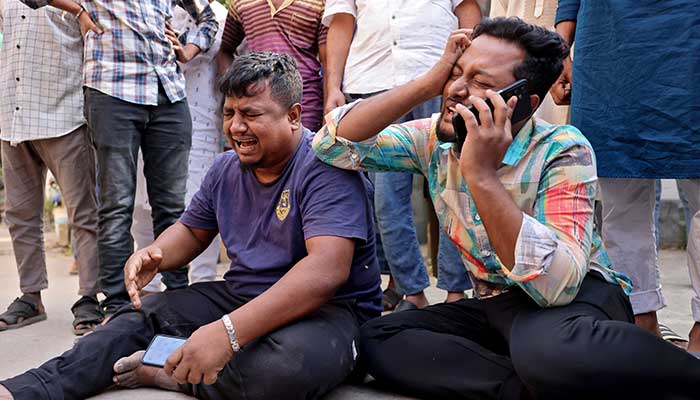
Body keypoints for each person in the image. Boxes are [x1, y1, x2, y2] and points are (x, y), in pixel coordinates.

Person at [313, 17, 700, 399]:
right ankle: (531, 385)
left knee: (549, 348)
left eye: (481, 83)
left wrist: (482, 177)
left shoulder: (563, 148)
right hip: (497, 304)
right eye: (457, 73)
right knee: (379, 338)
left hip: (579, 298)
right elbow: (332, 144)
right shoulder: (435, 138)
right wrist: (427, 84)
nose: (458, 90)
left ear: (524, 104)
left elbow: (557, 286)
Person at [0, 52, 382, 400]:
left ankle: (169, 373)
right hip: (243, 295)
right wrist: (157, 254)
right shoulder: (224, 168)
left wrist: (228, 332)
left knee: (282, 369)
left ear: (294, 115)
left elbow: (324, 274)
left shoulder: (325, 166)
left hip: (330, 313)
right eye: (229, 113)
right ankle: (28, 390)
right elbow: (191, 230)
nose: (236, 127)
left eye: (251, 114)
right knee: (136, 318)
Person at [21, 0, 219, 315]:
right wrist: (80, 12)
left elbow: (208, 18)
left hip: (168, 93)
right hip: (113, 91)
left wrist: (189, 49)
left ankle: (177, 299)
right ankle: (116, 304)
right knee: (116, 206)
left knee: (171, 207)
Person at [553, 1, 700, 352]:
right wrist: (559, 50)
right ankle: (638, 316)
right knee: (620, 195)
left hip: (691, 33)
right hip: (610, 43)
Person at [322, 0, 482, 311]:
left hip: (441, 80)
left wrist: (471, 70)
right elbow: (341, 23)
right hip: (374, 84)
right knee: (386, 198)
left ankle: (455, 293)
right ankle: (413, 292)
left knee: (453, 189)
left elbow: (468, 12)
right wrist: (333, 86)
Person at [0, 0, 102, 335]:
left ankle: (90, 296)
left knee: (84, 213)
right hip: (13, 113)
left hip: (65, 113)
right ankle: (31, 297)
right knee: (19, 214)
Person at [134, 0, 229, 292]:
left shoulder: (222, 18)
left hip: (202, 120)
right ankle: (149, 285)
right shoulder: (158, 10)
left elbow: (229, 63)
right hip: (153, 115)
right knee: (145, 203)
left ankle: (202, 282)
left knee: (201, 203)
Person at [217, 0, 328, 132]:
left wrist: (329, 110)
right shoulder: (241, 3)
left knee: (304, 150)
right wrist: (236, 90)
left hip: (305, 103)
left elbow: (327, 63)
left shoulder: (320, 3)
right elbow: (225, 51)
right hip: (254, 106)